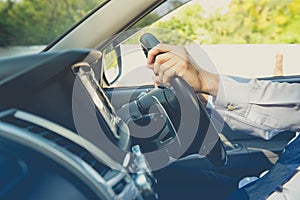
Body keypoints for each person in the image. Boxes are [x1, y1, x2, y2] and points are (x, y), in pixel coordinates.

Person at [147, 43, 300, 199]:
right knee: (165, 178)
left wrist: (205, 80)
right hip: (257, 186)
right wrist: (204, 97)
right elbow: (284, 115)